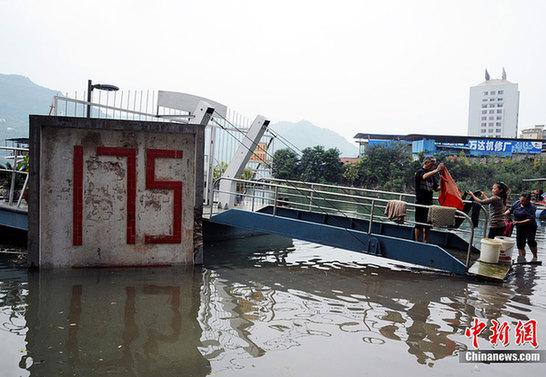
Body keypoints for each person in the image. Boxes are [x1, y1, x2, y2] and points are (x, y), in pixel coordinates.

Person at [414, 156, 444, 242]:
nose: (432, 167)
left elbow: (436, 188)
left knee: (428, 224)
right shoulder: (419, 172)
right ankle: (417, 241)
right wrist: (436, 170)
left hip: (429, 202)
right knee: (419, 223)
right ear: (426, 163)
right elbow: (424, 177)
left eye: (433, 165)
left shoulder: (432, 176)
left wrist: (445, 186)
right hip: (420, 201)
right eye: (431, 164)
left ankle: (425, 240)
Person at [504, 192, 538, 263]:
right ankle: (522, 259)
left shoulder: (531, 207)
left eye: (525, 201)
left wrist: (518, 222)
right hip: (520, 227)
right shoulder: (517, 203)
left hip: (530, 227)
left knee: (530, 241)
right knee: (520, 243)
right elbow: (510, 210)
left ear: (529, 200)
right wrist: (503, 215)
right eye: (521, 200)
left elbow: (530, 219)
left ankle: (535, 256)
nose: (522, 202)